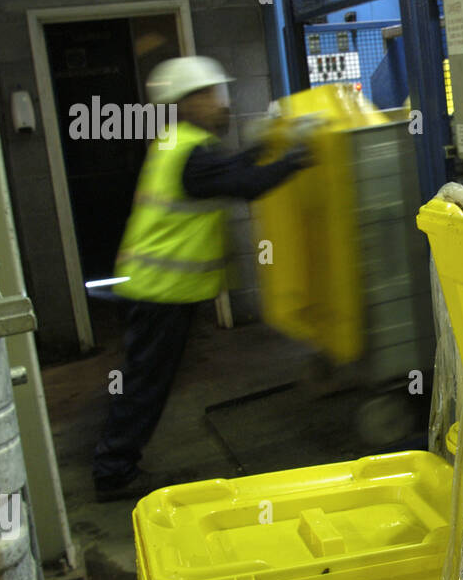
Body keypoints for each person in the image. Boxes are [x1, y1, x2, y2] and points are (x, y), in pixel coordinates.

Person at [91, 56, 312, 501]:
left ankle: (115, 460)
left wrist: (266, 143)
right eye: (211, 95)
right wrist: (295, 159)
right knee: (144, 383)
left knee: (145, 379)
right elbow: (245, 184)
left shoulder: (182, 143)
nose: (220, 103)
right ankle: (113, 471)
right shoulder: (191, 153)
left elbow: (229, 171)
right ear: (187, 102)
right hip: (161, 293)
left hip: (158, 290)